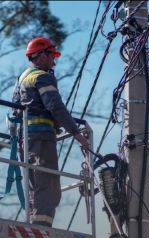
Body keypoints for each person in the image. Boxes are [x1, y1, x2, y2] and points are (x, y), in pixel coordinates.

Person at [13, 36, 89, 227]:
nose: (54, 61)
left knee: (35, 185)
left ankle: (34, 223)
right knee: (48, 184)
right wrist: (77, 134)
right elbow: (55, 106)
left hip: (26, 140)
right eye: (51, 56)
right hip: (42, 139)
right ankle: (42, 229)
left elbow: (15, 111)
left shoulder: (22, 79)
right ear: (40, 55)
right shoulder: (41, 76)